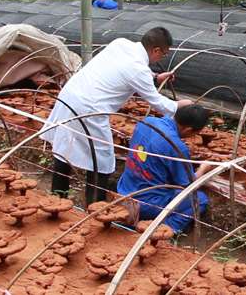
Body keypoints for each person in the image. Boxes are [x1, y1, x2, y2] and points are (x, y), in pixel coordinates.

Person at [41, 27, 192, 204]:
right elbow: (159, 104)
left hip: (70, 95)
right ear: (156, 50)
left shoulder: (121, 44)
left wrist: (156, 77)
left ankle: (57, 198)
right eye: (163, 54)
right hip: (89, 108)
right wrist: (181, 105)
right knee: (102, 158)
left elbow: (124, 69)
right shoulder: (138, 70)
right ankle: (94, 207)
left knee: (64, 146)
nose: (161, 58)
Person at [117, 104, 212, 233]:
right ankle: (163, 229)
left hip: (123, 193)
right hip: (147, 205)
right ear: (188, 129)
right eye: (196, 133)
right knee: (200, 199)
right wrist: (203, 168)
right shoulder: (176, 146)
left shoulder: (146, 122)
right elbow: (188, 185)